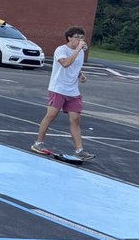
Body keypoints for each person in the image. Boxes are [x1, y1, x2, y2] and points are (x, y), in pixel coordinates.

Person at [31, 26, 94, 160]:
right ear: (69, 38)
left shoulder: (80, 53)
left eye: (82, 37)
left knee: (75, 119)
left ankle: (79, 150)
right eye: (77, 37)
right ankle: (38, 143)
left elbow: (74, 67)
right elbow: (65, 64)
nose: (80, 40)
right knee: (51, 116)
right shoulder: (61, 50)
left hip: (73, 90)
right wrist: (77, 50)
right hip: (58, 88)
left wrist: (80, 74)